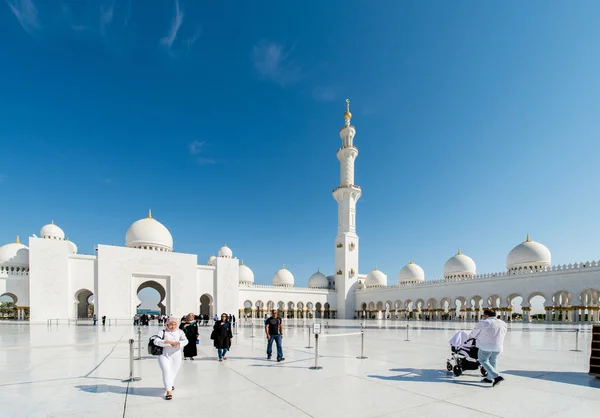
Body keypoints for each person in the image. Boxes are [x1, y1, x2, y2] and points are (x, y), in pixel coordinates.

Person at [470, 309, 508, 387]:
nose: (483, 317)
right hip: (498, 346)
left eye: (484, 315)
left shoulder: (484, 322)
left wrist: (471, 337)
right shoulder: (502, 323)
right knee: (493, 360)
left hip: (486, 346)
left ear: (486, 315)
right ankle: (489, 378)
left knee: (482, 360)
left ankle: (496, 376)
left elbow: (474, 333)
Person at [153, 316, 188, 400]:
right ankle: (169, 391)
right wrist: (167, 342)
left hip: (176, 355)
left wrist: (178, 343)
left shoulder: (180, 332)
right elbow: (156, 341)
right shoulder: (162, 332)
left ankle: (169, 384)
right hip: (164, 355)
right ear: (167, 324)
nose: (173, 326)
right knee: (166, 371)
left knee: (173, 372)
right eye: (171, 324)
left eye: (175, 324)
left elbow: (186, 341)